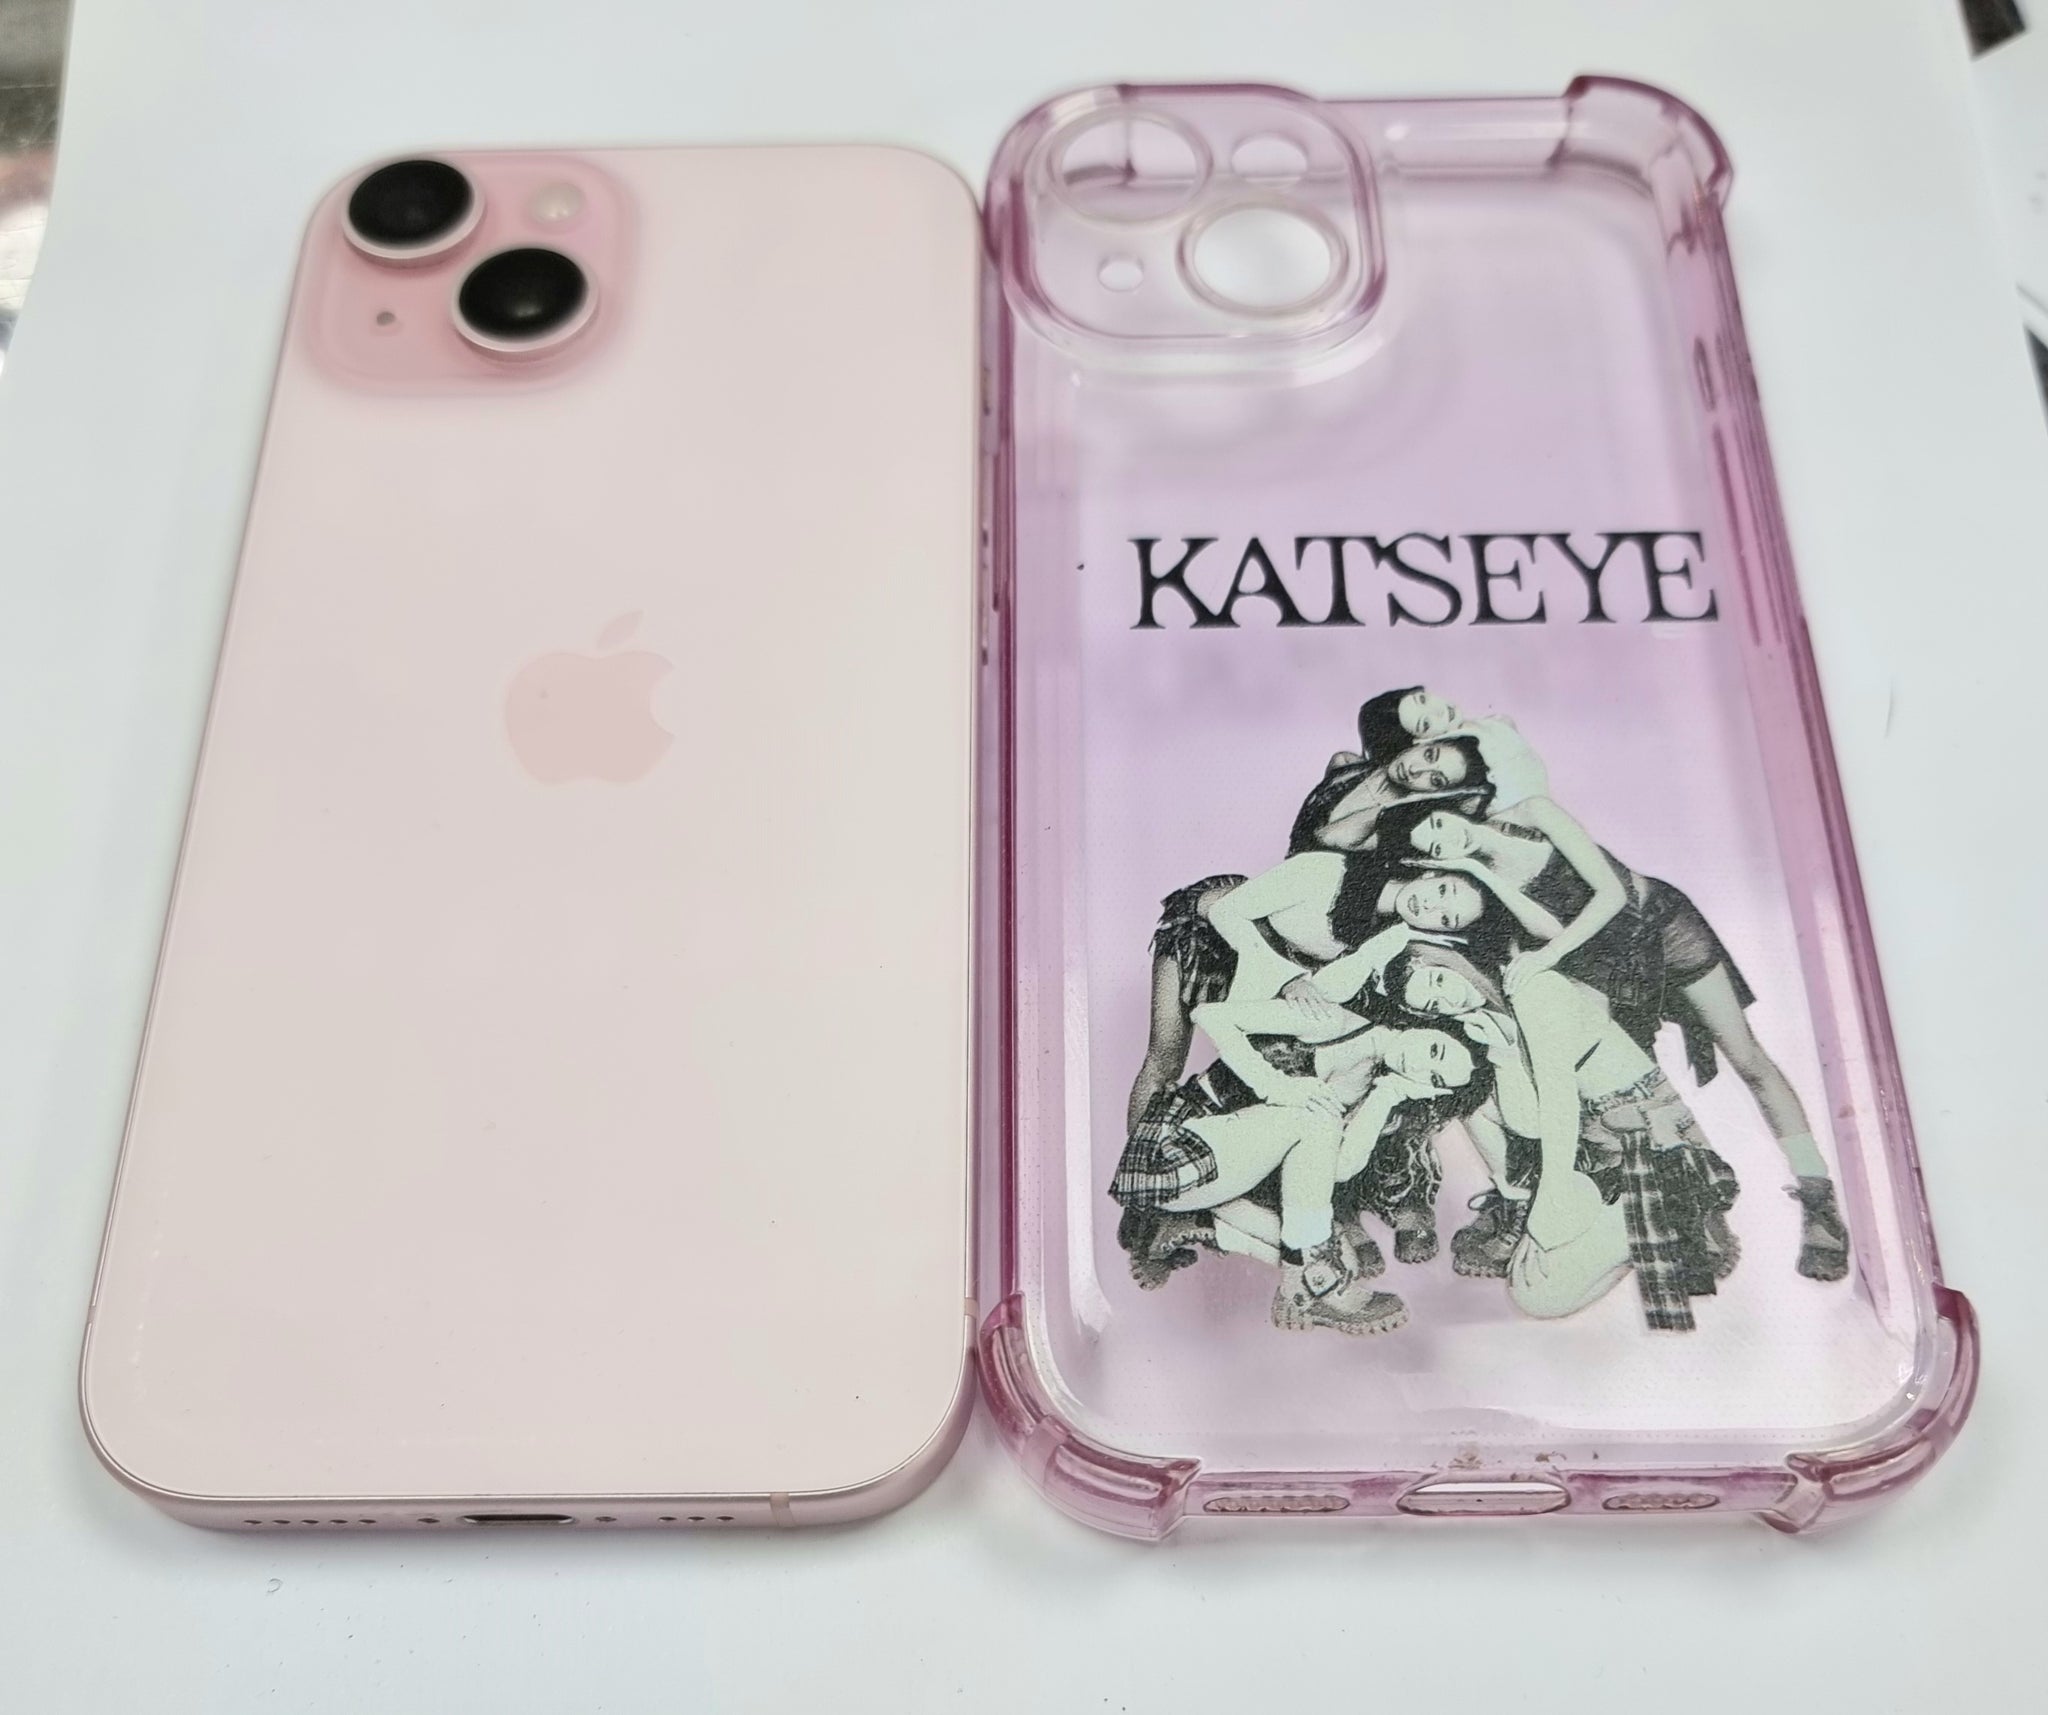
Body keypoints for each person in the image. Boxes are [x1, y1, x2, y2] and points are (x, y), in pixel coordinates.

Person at [1395, 807, 1849, 1282]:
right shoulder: (1475, 889)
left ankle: (1818, 1198)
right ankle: (1696, 1216)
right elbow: (1549, 930)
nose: (1445, 838)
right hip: (1599, 964)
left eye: (1438, 823)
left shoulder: (1529, 811)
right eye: (1436, 848)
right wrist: (1479, 872)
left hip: (1659, 925)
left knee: (1748, 1058)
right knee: (1623, 1092)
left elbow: (1612, 895)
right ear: (1435, 864)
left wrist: (1547, 955)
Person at [1110, 943, 1481, 1335]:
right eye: (1435, 1050)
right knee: (1315, 1229)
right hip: (1175, 1150)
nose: (1420, 1065)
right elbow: (1211, 1015)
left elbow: (1334, 1170)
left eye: (1433, 1078)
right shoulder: (1334, 1022)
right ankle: (1307, 1283)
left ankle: (1189, 1223)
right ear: (1425, 1023)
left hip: (1217, 1179)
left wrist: (1389, 1094)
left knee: (1343, 1260)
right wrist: (1275, 1086)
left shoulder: (1370, 1082)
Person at [1380, 941, 1743, 1331]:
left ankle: (1670, 1216)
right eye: (1434, 1005)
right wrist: (1503, 1056)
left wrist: (1547, 1213)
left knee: (1539, 1293)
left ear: (1451, 960)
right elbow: (1529, 1124)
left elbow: (1559, 1107)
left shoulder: (1532, 988)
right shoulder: (1490, 1022)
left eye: (1438, 980)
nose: (1448, 998)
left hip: (1655, 1139)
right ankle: (1652, 1228)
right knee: (1532, 1293)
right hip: (1606, 1152)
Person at [1354, 686, 1552, 813]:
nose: (1438, 710)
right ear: (1419, 743)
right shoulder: (1460, 764)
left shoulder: (1481, 728)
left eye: (1422, 699)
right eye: (1425, 724)